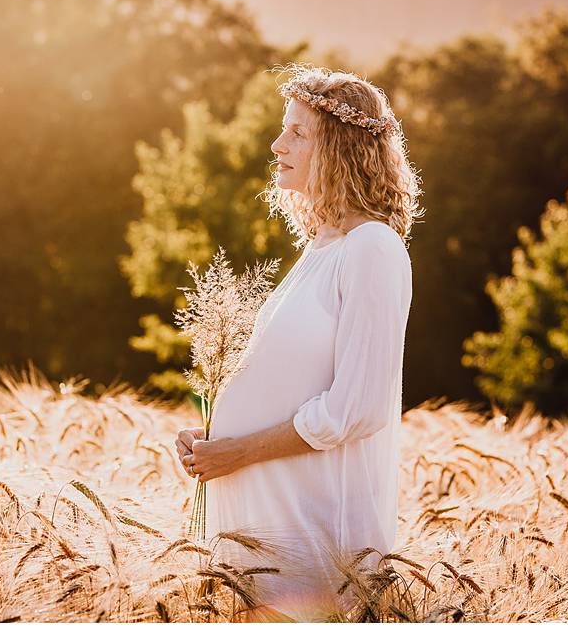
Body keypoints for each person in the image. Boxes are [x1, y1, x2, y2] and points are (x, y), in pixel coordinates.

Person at [174, 63, 423, 622]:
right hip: (258, 529)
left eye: (297, 133)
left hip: (310, 536)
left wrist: (239, 450)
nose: (276, 143)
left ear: (339, 148)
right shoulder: (323, 248)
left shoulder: (372, 248)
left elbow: (356, 409)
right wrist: (214, 435)